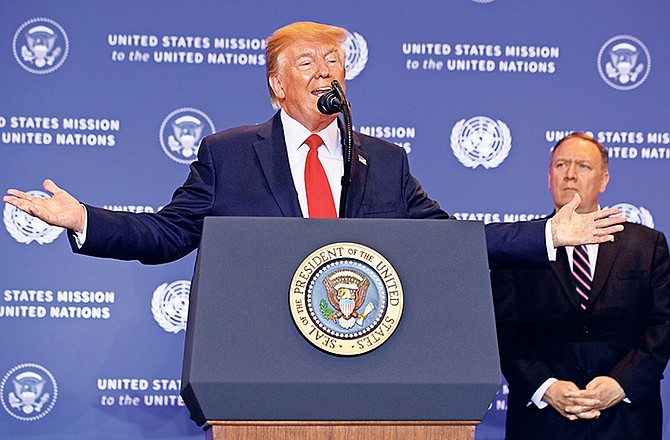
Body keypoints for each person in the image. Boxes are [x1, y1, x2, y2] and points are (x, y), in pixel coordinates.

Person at [3, 22, 623, 267]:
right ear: (277, 86)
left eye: (334, 59)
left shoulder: (383, 162)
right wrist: (82, 218)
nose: (327, 70)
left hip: (368, 359)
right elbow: (167, 236)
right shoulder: (228, 154)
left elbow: (451, 238)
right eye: (308, 62)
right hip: (258, 366)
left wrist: (546, 232)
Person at [491, 132, 670, 440]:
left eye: (583, 166)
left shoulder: (646, 245)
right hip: (542, 427)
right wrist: (545, 387)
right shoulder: (520, 246)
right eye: (561, 164)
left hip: (627, 426)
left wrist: (621, 384)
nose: (570, 174)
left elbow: (662, 326)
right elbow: (503, 332)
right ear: (549, 177)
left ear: (604, 180)